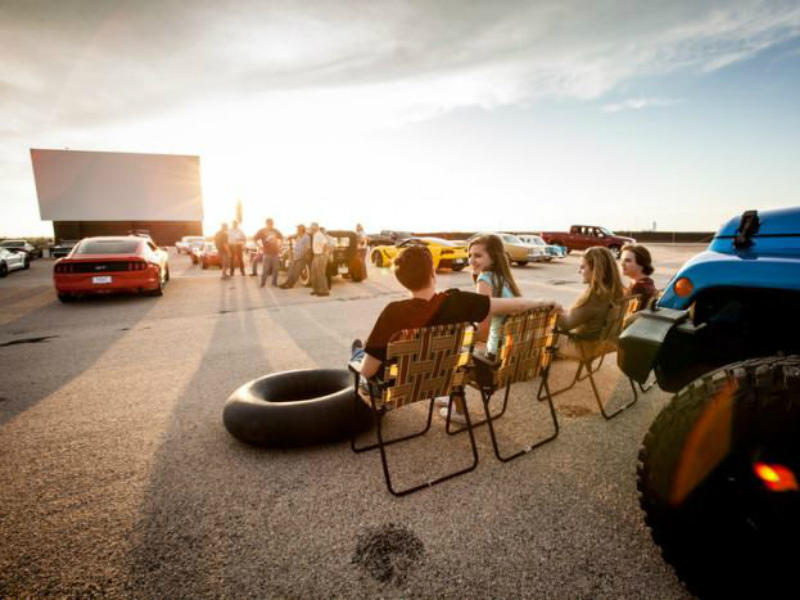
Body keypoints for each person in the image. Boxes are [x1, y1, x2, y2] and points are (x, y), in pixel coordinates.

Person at [350, 245, 556, 424]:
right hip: (442, 378)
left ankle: (358, 351)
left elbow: (367, 372)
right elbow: (515, 305)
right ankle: (360, 350)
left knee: (360, 357)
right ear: (433, 273)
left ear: (401, 280)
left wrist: (359, 366)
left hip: (397, 387)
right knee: (366, 351)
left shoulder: (392, 312)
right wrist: (545, 302)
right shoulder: (458, 301)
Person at [556, 246, 624, 358]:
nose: (579, 271)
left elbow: (566, 324)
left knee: (544, 333)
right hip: (603, 343)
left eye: (583, 267)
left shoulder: (595, 297)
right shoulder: (616, 292)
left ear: (596, 269)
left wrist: (553, 308)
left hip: (585, 347)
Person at [468, 234, 522, 359]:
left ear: (493, 258)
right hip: (514, 353)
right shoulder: (505, 279)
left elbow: (483, 333)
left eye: (478, 255)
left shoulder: (485, 279)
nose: (471, 261)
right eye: (470, 255)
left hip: (496, 356)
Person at [620, 243, 657, 310]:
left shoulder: (640, 289)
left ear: (641, 264)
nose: (622, 264)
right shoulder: (642, 284)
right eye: (622, 260)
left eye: (627, 261)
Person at [253, 218, 283, 288]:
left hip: (275, 253)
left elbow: (282, 238)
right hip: (266, 253)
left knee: (276, 269)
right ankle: (263, 283)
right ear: (266, 223)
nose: (271, 224)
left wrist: (280, 245)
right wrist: (260, 247)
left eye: (272, 223)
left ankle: (274, 283)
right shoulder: (262, 231)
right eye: (269, 223)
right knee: (265, 269)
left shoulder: (275, 231)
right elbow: (254, 239)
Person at [279, 224, 311, 289]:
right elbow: (292, 237)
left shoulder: (306, 237)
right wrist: (289, 237)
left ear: (302, 230)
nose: (297, 230)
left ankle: (290, 285)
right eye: (297, 229)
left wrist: (302, 255)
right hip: (296, 256)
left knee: (296, 273)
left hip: (301, 257)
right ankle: (286, 283)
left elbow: (308, 248)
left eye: (298, 229)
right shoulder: (299, 236)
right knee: (291, 271)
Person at [309, 222, 330, 297]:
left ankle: (324, 291)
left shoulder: (319, 235)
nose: (310, 229)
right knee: (314, 273)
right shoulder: (315, 235)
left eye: (312, 227)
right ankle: (316, 289)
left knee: (320, 274)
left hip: (320, 256)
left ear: (315, 228)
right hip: (316, 256)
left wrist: (324, 255)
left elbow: (326, 245)